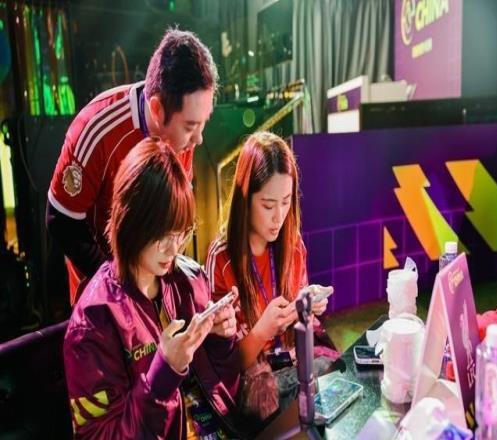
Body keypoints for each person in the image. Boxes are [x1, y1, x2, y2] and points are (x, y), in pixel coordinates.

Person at [64, 138, 240, 439]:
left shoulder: (189, 279)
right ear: (130, 221)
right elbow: (100, 435)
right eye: (162, 236)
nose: (173, 249)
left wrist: (223, 341)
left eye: (181, 233)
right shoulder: (94, 322)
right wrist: (162, 375)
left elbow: (224, 396)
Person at [46, 29, 217, 304]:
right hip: (102, 292)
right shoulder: (97, 129)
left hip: (152, 284)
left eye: (203, 123)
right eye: (190, 127)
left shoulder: (184, 136)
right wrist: (118, 282)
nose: (199, 139)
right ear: (157, 109)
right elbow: (61, 219)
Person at [205, 131, 338, 424]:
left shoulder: (292, 243)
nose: (279, 216)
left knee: (338, 375)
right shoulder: (222, 259)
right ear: (245, 198)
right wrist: (262, 331)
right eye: (268, 205)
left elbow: (303, 333)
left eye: (286, 201)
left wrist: (308, 306)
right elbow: (223, 367)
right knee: (273, 400)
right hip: (250, 381)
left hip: (291, 362)